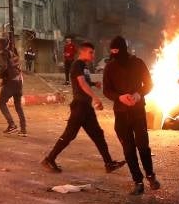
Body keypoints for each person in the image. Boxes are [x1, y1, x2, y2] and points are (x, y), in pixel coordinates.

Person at [41, 42, 126, 174]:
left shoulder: (84, 66)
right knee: (69, 135)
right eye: (91, 52)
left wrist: (93, 83)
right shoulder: (77, 64)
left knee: (98, 134)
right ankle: (49, 159)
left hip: (86, 107)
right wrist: (95, 97)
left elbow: (83, 81)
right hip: (79, 107)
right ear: (83, 52)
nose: (93, 55)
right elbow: (80, 83)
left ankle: (109, 163)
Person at [103, 36, 159, 195]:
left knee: (143, 146)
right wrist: (119, 97)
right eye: (112, 52)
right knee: (128, 150)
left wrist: (138, 94)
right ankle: (138, 181)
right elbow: (106, 90)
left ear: (124, 49)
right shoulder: (110, 67)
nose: (114, 55)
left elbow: (149, 84)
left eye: (117, 51)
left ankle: (150, 175)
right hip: (120, 113)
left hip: (138, 112)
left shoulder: (138, 63)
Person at [0, 39, 27, 136]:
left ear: (1, 45)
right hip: (19, 81)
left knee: (1, 103)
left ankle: (12, 125)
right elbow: (17, 65)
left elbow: (4, 66)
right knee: (18, 106)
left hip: (11, 82)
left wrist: (1, 78)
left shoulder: (1, 54)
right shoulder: (12, 53)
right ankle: (23, 130)